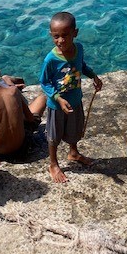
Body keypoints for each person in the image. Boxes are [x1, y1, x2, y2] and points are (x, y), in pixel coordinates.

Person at [40, 12, 103, 183]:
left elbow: (81, 65)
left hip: (75, 99)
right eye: (56, 36)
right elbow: (44, 82)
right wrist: (58, 99)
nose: (61, 40)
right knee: (54, 135)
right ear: (51, 35)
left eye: (65, 35)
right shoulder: (51, 60)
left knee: (74, 129)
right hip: (56, 105)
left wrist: (93, 76)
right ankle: (53, 163)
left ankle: (73, 152)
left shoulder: (79, 49)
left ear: (75, 33)